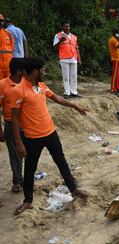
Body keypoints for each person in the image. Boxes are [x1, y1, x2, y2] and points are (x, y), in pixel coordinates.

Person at [10, 58, 89, 215]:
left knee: (61, 161)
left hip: (50, 132)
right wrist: (19, 143)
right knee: (30, 170)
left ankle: (74, 190)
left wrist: (74, 105)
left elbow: (56, 98)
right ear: (35, 72)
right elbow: (14, 119)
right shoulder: (19, 90)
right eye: (43, 70)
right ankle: (28, 201)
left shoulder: (40, 86)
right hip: (32, 138)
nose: (45, 72)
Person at [0, 57, 25, 193]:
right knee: (15, 154)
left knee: (28, 154)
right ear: (18, 71)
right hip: (10, 124)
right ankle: (17, 181)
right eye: (24, 70)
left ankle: (27, 181)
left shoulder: (26, 83)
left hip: (27, 124)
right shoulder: (2, 85)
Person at [53, 21, 81, 99]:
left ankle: (74, 92)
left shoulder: (74, 37)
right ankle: (67, 92)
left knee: (74, 76)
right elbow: (55, 47)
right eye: (66, 26)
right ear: (62, 27)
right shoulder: (58, 35)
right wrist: (60, 41)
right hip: (64, 58)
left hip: (73, 58)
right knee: (66, 76)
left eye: (68, 26)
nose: (67, 28)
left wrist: (79, 58)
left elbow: (77, 48)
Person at [108, 29, 119, 97]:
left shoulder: (116, 39)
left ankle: (117, 87)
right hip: (115, 59)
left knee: (118, 75)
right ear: (115, 34)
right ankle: (113, 89)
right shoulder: (113, 39)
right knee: (115, 74)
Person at [0, 14, 14, 79]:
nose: (0, 22)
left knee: (8, 85)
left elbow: (12, 50)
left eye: (1, 21)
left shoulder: (8, 34)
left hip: (8, 67)